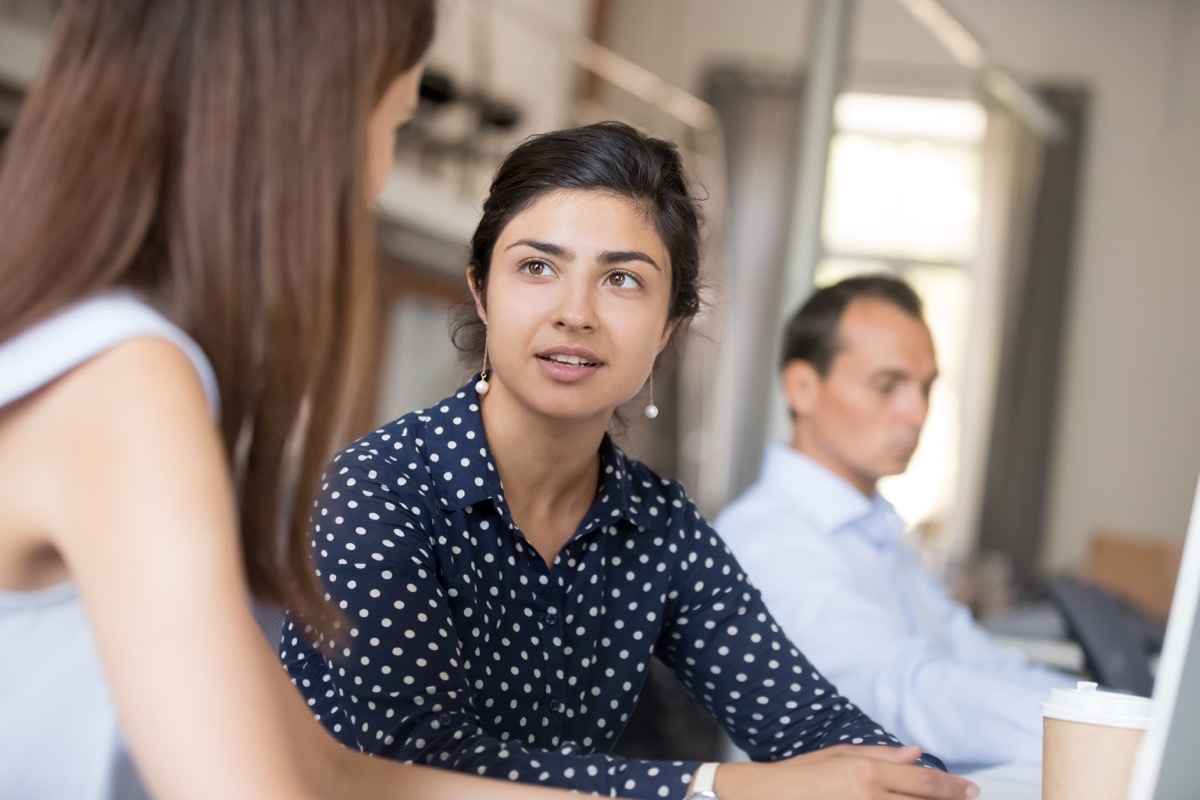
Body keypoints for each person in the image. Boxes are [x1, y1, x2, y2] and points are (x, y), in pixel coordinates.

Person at [279, 122, 979, 800]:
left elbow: (805, 720)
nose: (575, 312)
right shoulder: (379, 489)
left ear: (668, 327)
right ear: (482, 292)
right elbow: (414, 759)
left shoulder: (658, 525)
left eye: (621, 279)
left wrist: (915, 780)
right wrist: (719, 785)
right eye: (537, 267)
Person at [0, 2, 586, 798]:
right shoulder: (125, 385)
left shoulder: (75, 342)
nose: (376, 178)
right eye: (392, 124)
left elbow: (326, 771)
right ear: (310, 134)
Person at [714, 275, 1077, 772]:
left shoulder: (877, 532)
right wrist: (1097, 731)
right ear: (802, 388)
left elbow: (979, 662)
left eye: (926, 388)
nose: (918, 412)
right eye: (888, 386)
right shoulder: (766, 538)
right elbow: (900, 690)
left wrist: (1115, 712)